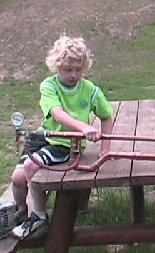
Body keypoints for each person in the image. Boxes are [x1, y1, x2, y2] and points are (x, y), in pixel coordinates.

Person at [11, 35, 114, 239]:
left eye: (79, 69)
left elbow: (106, 116)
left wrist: (106, 147)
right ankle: (20, 213)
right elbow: (57, 113)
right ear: (57, 66)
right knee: (17, 178)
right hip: (43, 137)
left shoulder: (91, 90)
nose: (74, 74)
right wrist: (83, 127)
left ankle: (40, 216)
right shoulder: (48, 86)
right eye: (68, 70)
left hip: (66, 144)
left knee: (31, 167)